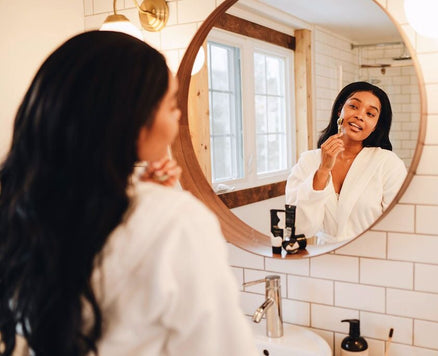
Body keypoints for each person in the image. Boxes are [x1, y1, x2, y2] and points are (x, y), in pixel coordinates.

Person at [0, 31, 258, 355]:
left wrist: (141, 197)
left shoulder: (22, 210)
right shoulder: (179, 223)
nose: (178, 116)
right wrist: (153, 205)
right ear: (132, 119)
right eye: (171, 104)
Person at [286, 82, 407, 244]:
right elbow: (300, 228)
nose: (360, 116)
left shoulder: (388, 164)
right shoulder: (308, 161)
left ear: (376, 126)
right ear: (339, 111)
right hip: (324, 258)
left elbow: (397, 225)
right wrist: (322, 171)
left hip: (371, 257)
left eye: (370, 114)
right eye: (354, 106)